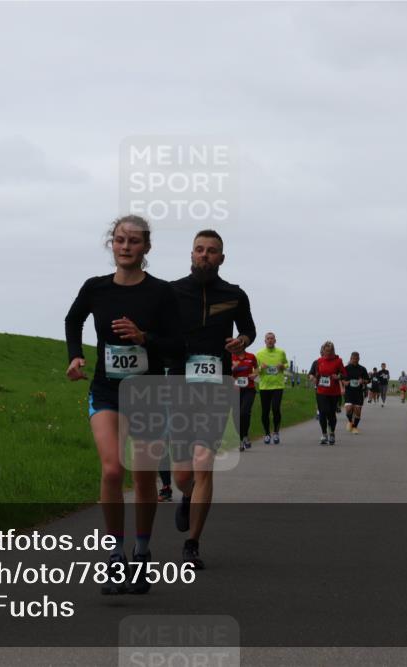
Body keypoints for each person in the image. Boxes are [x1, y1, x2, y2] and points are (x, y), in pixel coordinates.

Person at [64, 215, 183, 594]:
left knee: (144, 477)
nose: (126, 246)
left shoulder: (161, 292)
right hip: (106, 391)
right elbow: (73, 319)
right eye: (119, 240)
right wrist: (74, 356)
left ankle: (142, 553)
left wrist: (143, 337)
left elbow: (178, 345)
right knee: (113, 470)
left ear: (146, 247)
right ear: (111, 245)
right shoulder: (95, 288)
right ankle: (115, 555)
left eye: (134, 241)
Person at [169, 230, 256, 569]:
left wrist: (242, 340)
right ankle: (186, 495)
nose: (205, 255)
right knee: (181, 474)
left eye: (212, 251)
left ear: (222, 258)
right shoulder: (172, 291)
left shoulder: (234, 294)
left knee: (204, 461)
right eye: (199, 250)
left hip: (216, 385)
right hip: (178, 384)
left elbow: (247, 327)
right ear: (191, 254)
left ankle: (192, 544)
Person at [309, 341, 346, 445]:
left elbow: (344, 374)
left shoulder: (338, 361)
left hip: (333, 392)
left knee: (331, 414)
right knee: (323, 412)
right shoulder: (319, 361)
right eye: (326, 351)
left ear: (333, 351)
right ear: (323, 351)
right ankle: (324, 434)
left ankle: (332, 433)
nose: (328, 353)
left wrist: (338, 377)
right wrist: (313, 378)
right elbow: (311, 374)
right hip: (321, 391)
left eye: (330, 351)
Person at [255, 332, 287, 444]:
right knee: (265, 412)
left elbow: (286, 364)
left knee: (276, 408)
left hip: (278, 386)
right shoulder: (259, 354)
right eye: (268, 339)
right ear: (265, 341)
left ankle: (276, 433)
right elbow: (254, 371)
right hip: (264, 387)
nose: (270, 340)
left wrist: (282, 366)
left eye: (272, 338)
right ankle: (267, 433)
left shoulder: (281, 352)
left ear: (275, 340)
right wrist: (260, 367)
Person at [231, 349, 259, 451]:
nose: (239, 346)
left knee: (244, 413)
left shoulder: (251, 356)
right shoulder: (231, 357)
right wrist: (233, 380)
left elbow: (256, 368)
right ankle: (241, 438)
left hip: (249, 389)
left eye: (241, 344)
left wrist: (255, 374)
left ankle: (244, 437)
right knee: (235, 415)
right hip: (234, 390)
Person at [342, 352, 371, 434]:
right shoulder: (346, 368)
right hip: (349, 392)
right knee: (349, 408)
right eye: (353, 359)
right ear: (350, 358)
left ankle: (355, 427)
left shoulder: (362, 369)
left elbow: (368, 380)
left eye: (356, 359)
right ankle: (350, 421)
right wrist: (344, 382)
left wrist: (363, 381)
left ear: (359, 359)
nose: (354, 360)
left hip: (358, 392)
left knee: (357, 410)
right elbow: (340, 378)